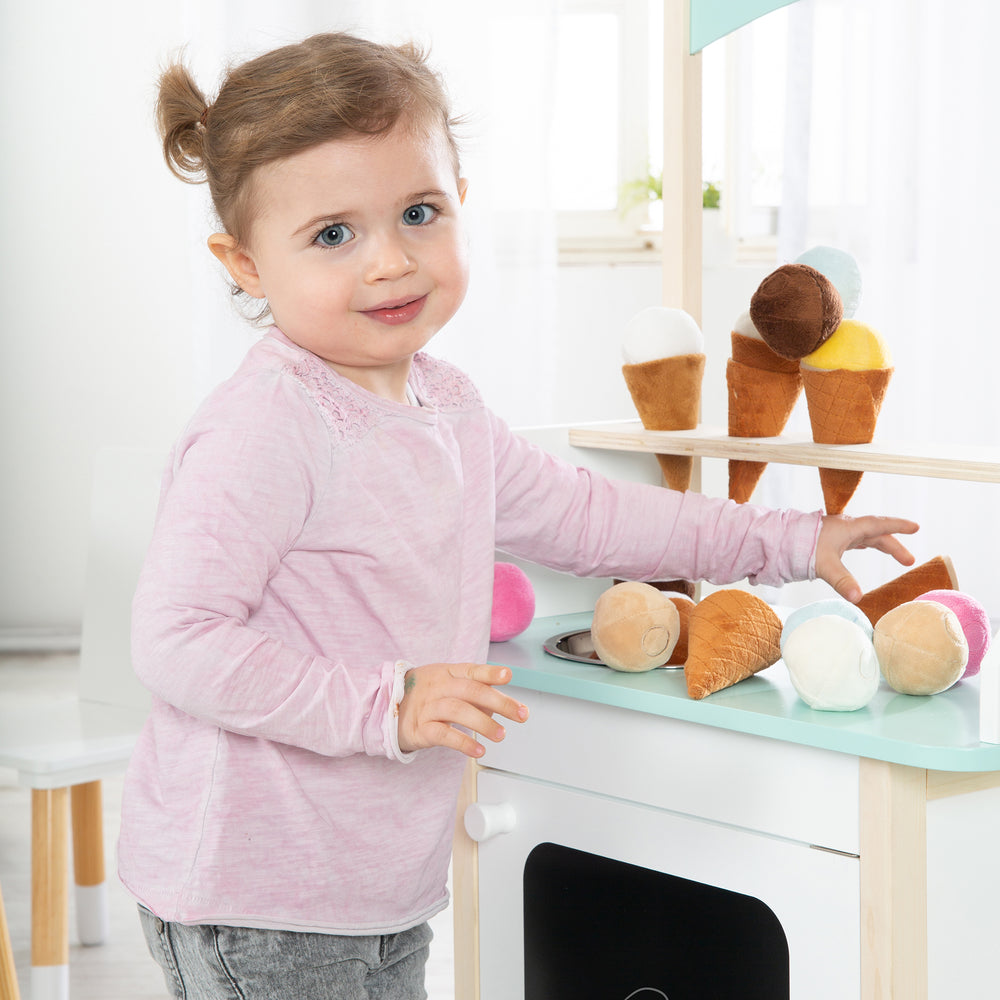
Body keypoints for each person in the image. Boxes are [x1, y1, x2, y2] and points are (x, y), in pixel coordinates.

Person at [118, 31, 918, 999]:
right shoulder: (266, 426)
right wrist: (386, 702)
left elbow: (589, 517)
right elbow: (177, 637)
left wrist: (789, 540)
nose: (391, 262)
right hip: (260, 899)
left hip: (376, 892)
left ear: (459, 200)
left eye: (419, 213)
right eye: (333, 235)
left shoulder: (448, 408)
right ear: (244, 262)